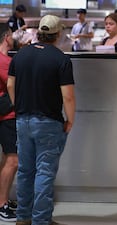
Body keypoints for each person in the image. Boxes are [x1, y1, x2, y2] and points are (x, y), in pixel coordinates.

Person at [7, 15, 75, 225]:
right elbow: (68, 96)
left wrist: (18, 107)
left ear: (38, 33)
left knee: (26, 171)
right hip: (48, 122)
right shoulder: (61, 59)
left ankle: (23, 218)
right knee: (44, 172)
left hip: (23, 121)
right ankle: (41, 220)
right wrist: (70, 120)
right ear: (58, 34)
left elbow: (10, 85)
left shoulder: (20, 55)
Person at [0, 24, 17, 223]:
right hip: (7, 116)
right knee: (13, 160)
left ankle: (2, 200)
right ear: (6, 37)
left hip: (5, 116)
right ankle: (2, 204)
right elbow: (15, 83)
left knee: (7, 158)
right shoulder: (5, 61)